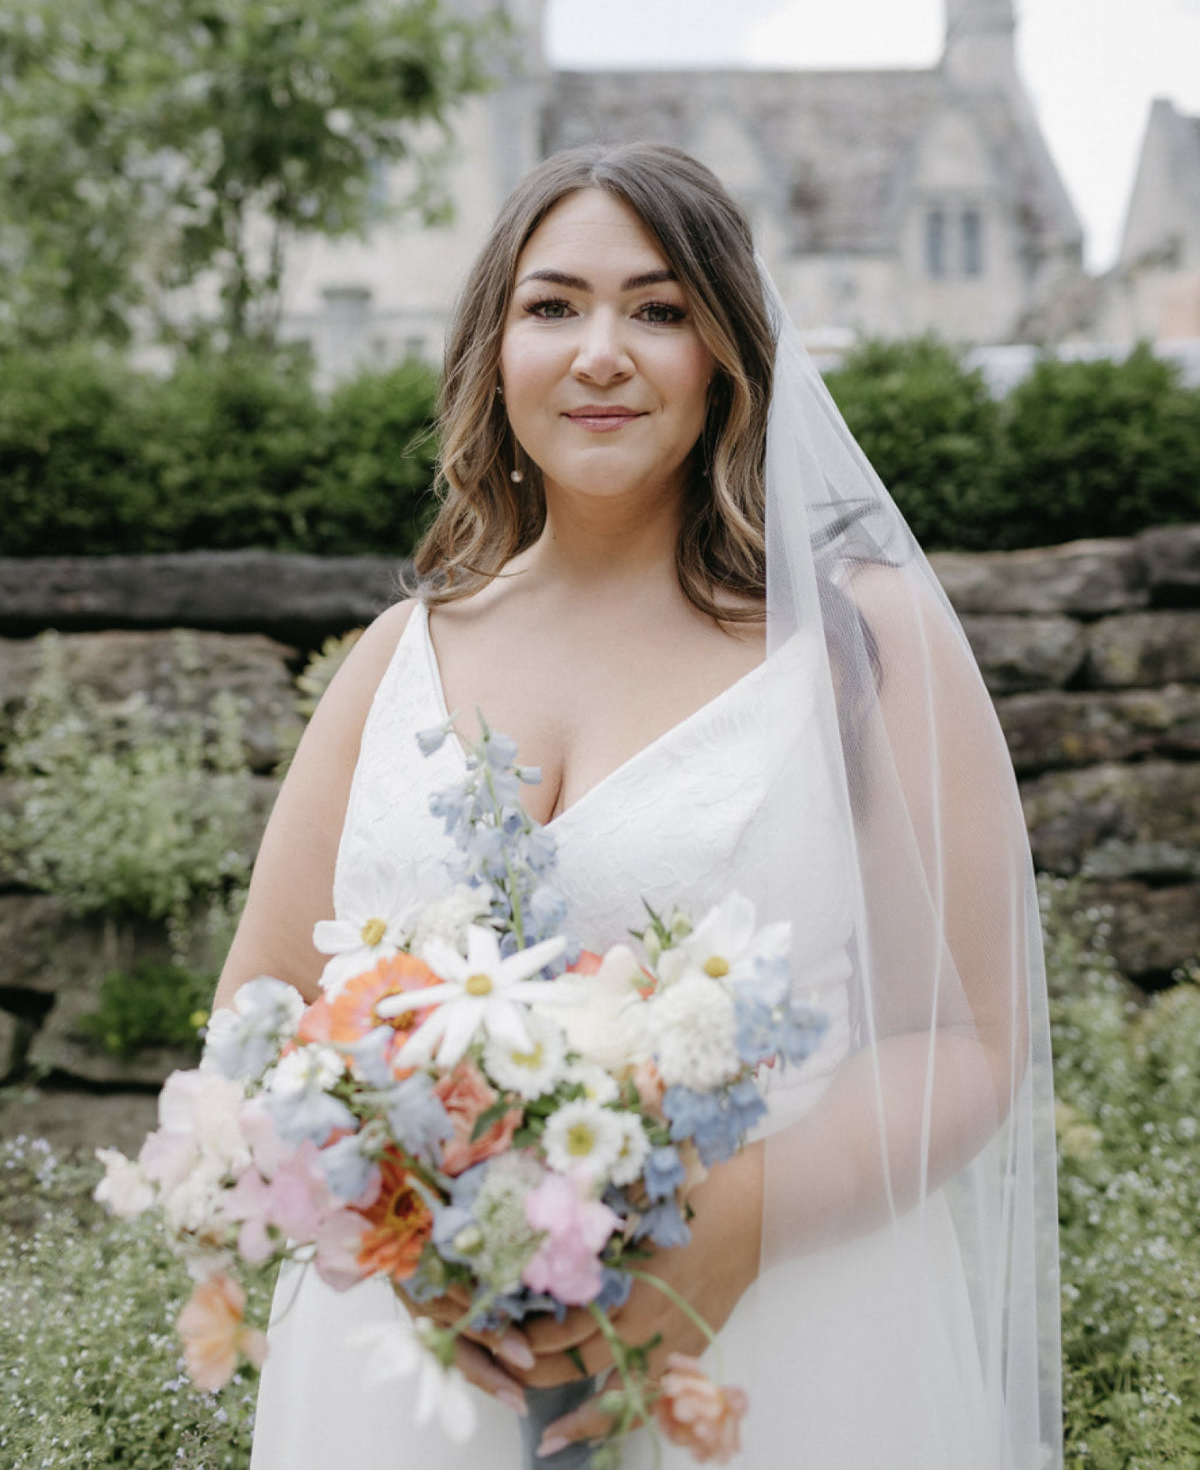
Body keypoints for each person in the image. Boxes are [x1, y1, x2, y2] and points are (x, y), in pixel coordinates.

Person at [214, 142, 1062, 1469]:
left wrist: (734, 1226)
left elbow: (966, 1040)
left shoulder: (857, 647)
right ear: (494, 350)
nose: (600, 351)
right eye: (553, 306)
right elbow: (257, 1018)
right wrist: (397, 1230)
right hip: (413, 1382)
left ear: (726, 353)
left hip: (785, 1346)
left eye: (658, 310)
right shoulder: (393, 662)